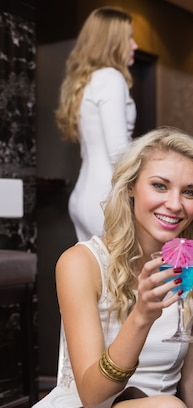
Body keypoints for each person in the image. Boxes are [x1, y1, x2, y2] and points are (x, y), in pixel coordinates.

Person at [27, 127, 193, 408]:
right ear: (131, 186)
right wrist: (142, 316)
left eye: (189, 192)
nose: (174, 204)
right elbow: (91, 394)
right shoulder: (81, 263)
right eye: (160, 185)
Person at [56, 6, 138, 242]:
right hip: (106, 197)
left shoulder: (87, 80)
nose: (135, 45)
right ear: (112, 41)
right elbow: (118, 152)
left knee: (93, 276)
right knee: (116, 277)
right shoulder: (112, 78)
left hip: (84, 194)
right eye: (129, 37)